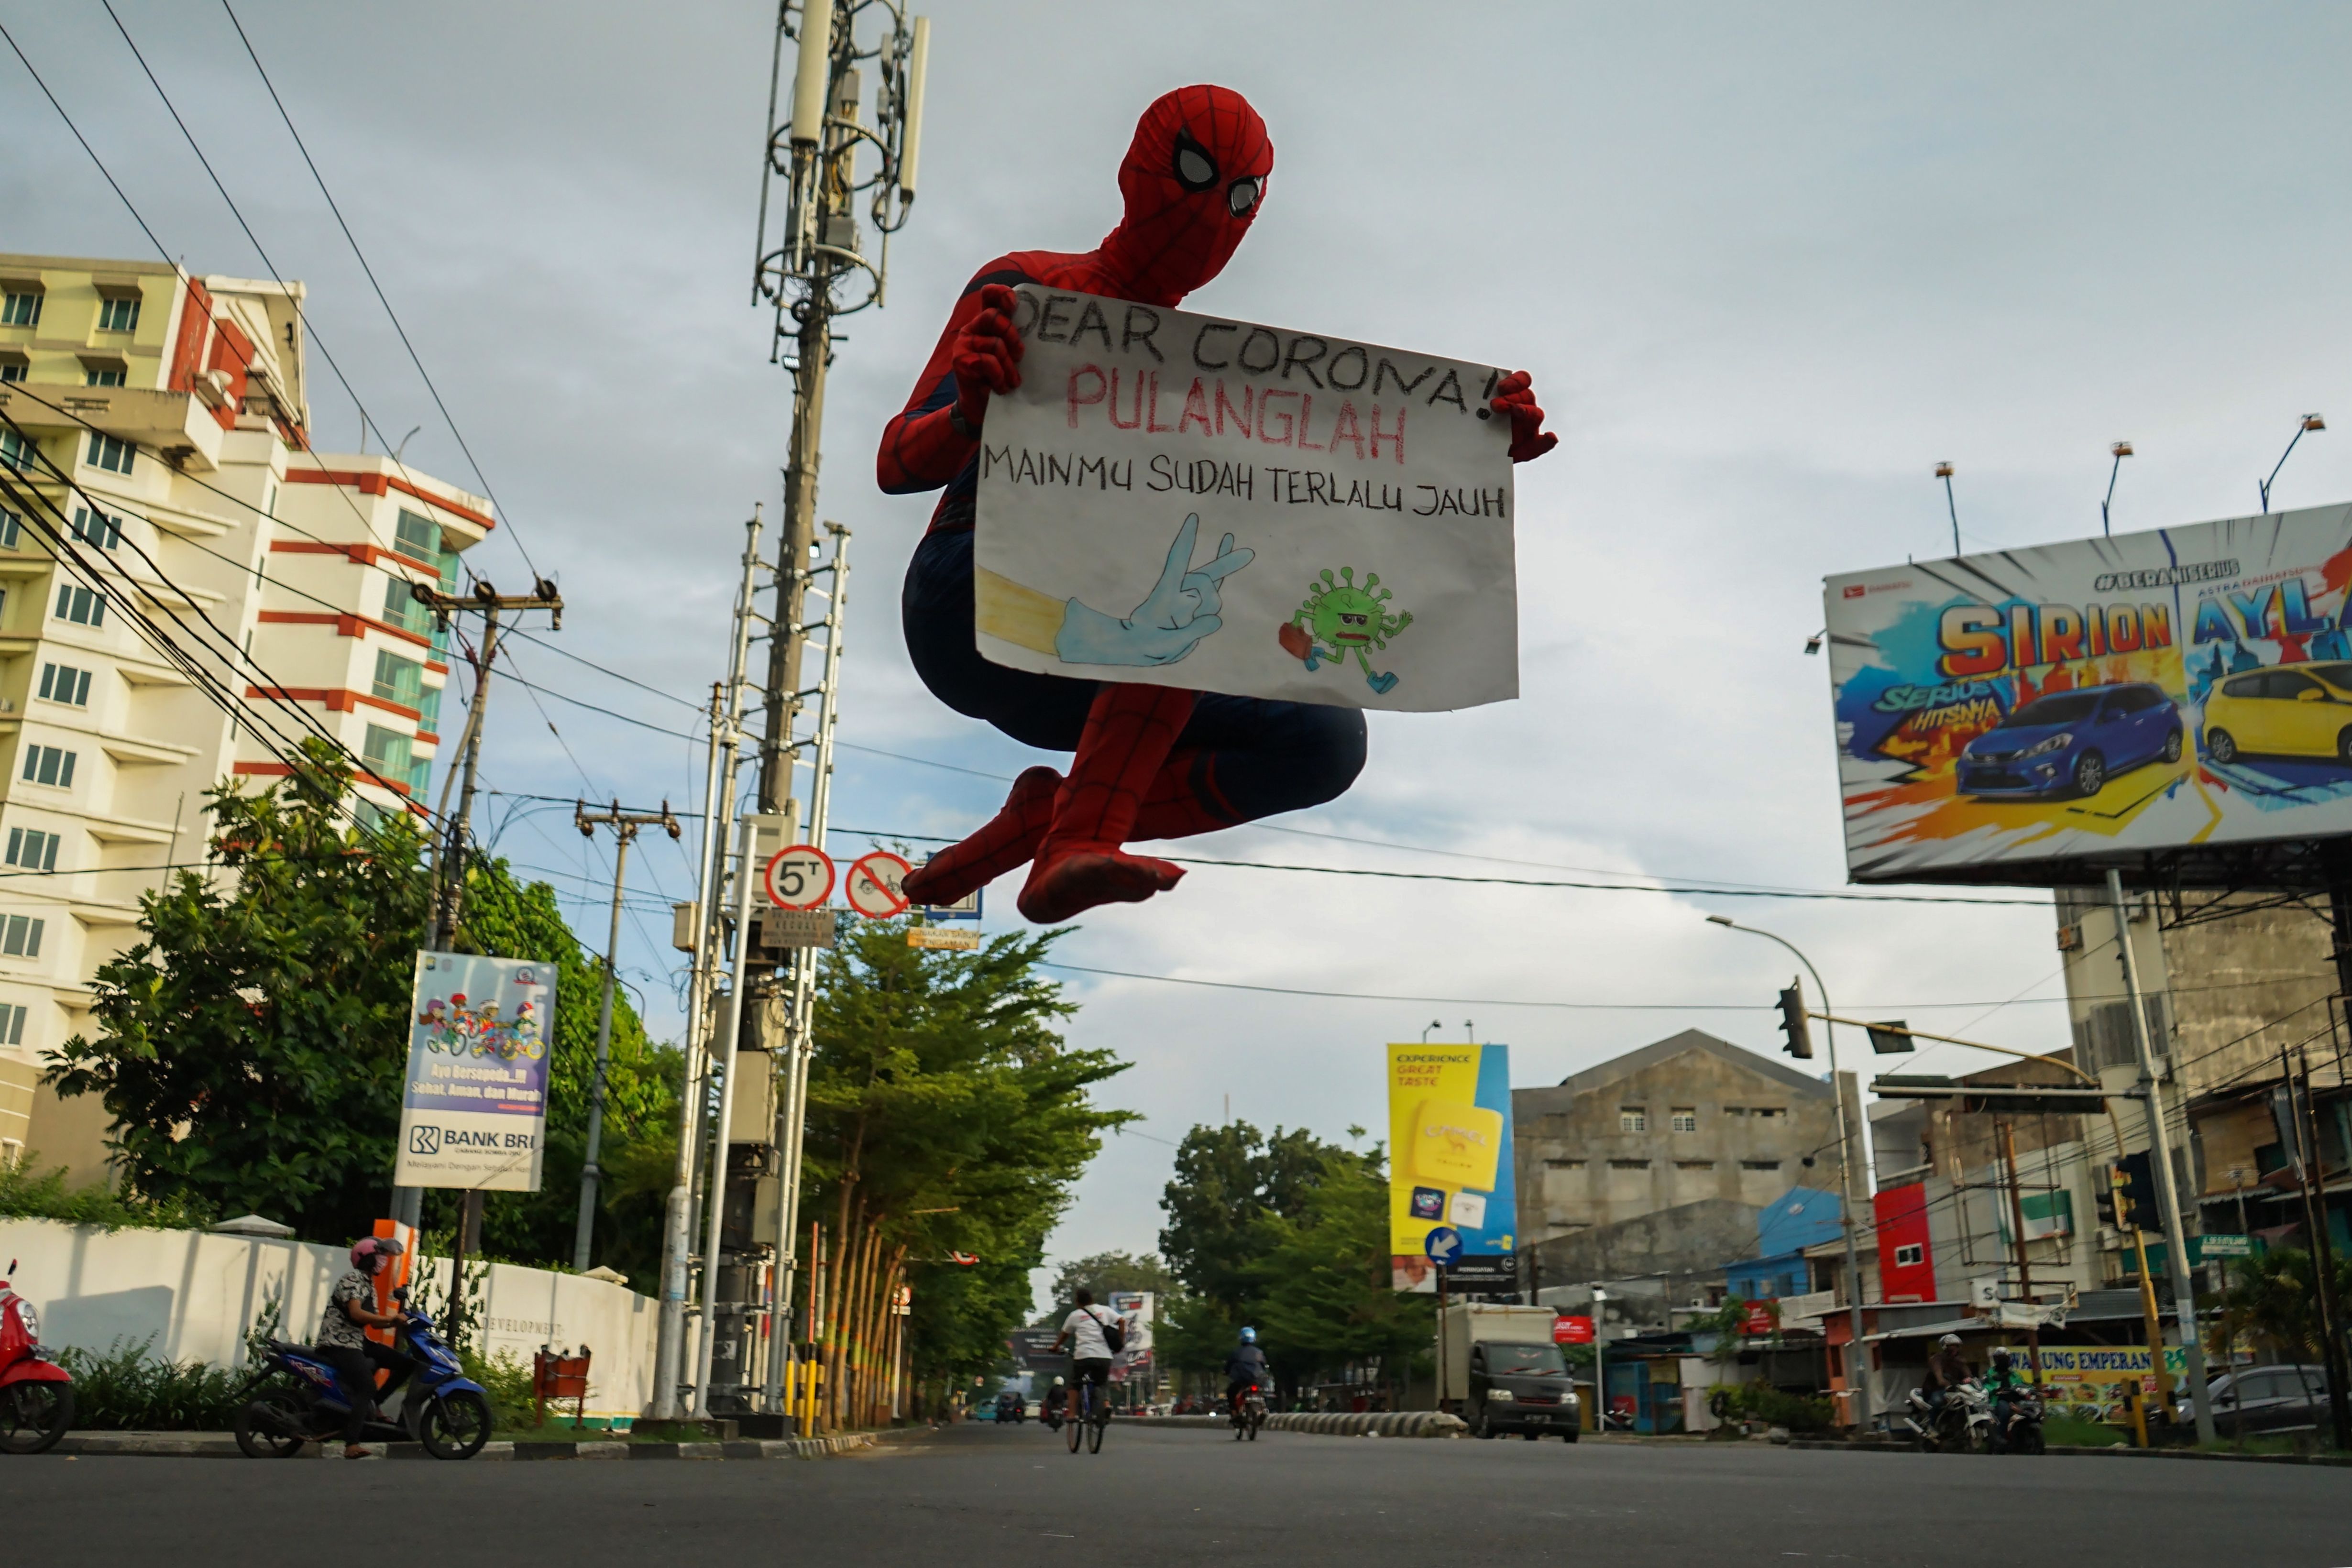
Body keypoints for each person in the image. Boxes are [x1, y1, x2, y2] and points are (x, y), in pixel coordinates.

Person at [882, 86, 1558, 926]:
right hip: (971, 596)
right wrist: (970, 412)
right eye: (1193, 176)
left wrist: (1465, 449)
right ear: (1138, 171)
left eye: (1241, 199)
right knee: (1184, 586)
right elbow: (896, 459)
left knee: (1323, 740)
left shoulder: (1204, 378)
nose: (1210, 218)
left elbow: (1330, 493)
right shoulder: (1030, 289)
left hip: (1104, 651)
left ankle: (1052, 824)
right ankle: (1076, 833)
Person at [317, 1236, 417, 1459]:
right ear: (367, 1258)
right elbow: (356, 1313)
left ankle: (376, 1405)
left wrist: (396, 1320)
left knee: (405, 1364)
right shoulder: (352, 1279)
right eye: (380, 1256)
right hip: (338, 1342)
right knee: (366, 1386)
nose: (384, 1261)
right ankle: (351, 1443)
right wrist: (390, 1320)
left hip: (356, 1340)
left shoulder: (368, 1283)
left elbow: (371, 1321)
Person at [1050, 1288, 1120, 1425]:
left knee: (1074, 1384)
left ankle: (1072, 1413)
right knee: (1102, 1383)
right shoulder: (1105, 1310)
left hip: (1083, 1356)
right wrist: (1120, 1342)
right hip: (1104, 1356)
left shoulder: (1075, 1315)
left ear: (1077, 1302)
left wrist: (1055, 1347)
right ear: (1092, 1299)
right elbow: (1121, 1321)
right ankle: (1106, 1406)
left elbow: (1064, 1335)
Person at [1982, 1346, 2027, 1443]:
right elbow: (1984, 1386)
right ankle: (2000, 1437)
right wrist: (1994, 1390)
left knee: (2031, 1411)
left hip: (2016, 1399)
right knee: (2005, 1411)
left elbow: (2023, 1384)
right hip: (1999, 1400)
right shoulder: (1990, 1373)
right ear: (1996, 1360)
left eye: (2005, 1358)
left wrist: (2030, 1389)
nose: (2003, 1361)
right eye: (2000, 1358)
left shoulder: (2015, 1374)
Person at [1225, 1326, 1269, 1419]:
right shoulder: (1259, 1352)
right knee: (1263, 1392)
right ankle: (1264, 1408)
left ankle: (1234, 1413)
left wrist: (1226, 1372)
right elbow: (1264, 1365)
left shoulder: (1236, 1352)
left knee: (1230, 1392)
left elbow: (1228, 1366)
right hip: (1258, 1380)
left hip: (1242, 1381)